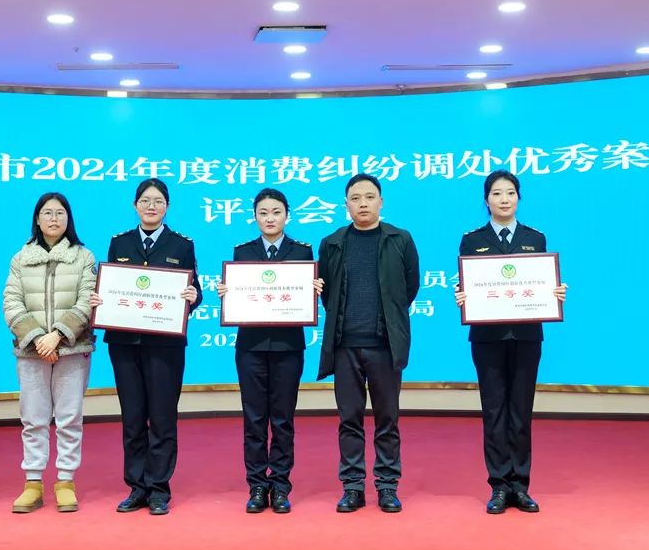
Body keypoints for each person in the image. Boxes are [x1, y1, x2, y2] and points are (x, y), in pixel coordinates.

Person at [454, 170, 568, 515]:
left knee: (520, 411)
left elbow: (540, 281)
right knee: (494, 411)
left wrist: (553, 293)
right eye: (497, 193)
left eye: (510, 193)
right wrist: (464, 297)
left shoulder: (536, 238)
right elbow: (468, 283)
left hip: (527, 336)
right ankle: (499, 487)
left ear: (519, 198)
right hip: (487, 337)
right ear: (486, 200)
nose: (504, 199)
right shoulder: (472, 240)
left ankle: (521, 486)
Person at [90, 178, 202, 515]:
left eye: (158, 201)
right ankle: (136, 487)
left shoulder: (182, 244)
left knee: (163, 418)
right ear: (135, 205)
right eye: (145, 201)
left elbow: (194, 290)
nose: (151, 206)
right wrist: (100, 300)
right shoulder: (119, 242)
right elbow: (112, 287)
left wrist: (193, 296)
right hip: (125, 344)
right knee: (133, 417)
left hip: (166, 346)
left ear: (167, 206)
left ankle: (158, 489)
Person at [316, 174, 419, 513]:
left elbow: (410, 287)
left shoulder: (400, 239)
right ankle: (353, 487)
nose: (363, 203)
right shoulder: (332, 243)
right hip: (345, 346)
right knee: (349, 419)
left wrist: (388, 320)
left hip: (385, 345)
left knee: (388, 419)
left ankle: (387, 486)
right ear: (346, 204)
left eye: (369, 197)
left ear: (381, 202)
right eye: (356, 198)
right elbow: (328, 295)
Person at [217, 188, 324, 514]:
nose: (270, 218)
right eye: (263, 213)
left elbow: (308, 297)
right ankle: (256, 486)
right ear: (254, 217)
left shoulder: (302, 251)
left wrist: (315, 290)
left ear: (287, 215)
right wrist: (228, 293)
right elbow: (239, 296)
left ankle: (279, 485)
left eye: (276, 212)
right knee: (254, 419)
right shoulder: (242, 252)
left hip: (288, 347)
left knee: (282, 419)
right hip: (250, 347)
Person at [2, 193, 97, 513]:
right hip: (32, 351)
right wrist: (38, 339)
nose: (54, 219)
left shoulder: (83, 257)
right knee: (33, 418)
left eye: (60, 213)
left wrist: (57, 335)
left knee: (70, 418)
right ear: (37, 219)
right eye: (47, 213)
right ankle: (33, 483)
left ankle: (66, 481)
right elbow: (11, 302)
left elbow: (87, 301)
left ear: (69, 219)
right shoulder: (21, 258)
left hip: (72, 348)